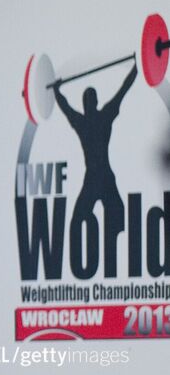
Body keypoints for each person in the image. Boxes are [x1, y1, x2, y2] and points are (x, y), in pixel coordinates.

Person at [52, 62, 136, 278]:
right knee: (82, 217)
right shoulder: (98, 117)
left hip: (99, 178)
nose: (89, 103)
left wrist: (57, 91)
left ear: (90, 103)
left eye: (89, 100)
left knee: (115, 214)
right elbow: (122, 92)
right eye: (88, 100)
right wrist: (135, 69)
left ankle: (117, 255)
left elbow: (122, 91)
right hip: (99, 178)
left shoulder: (85, 121)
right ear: (93, 103)